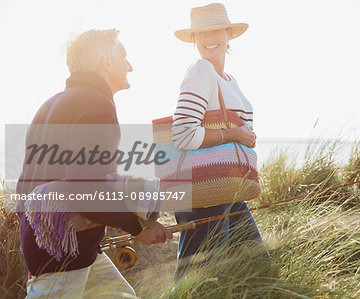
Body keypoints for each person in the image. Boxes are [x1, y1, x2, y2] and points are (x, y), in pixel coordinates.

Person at [16, 29, 172, 298]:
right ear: (107, 62)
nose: (130, 66)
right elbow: (86, 189)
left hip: (67, 247)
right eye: (124, 57)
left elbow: (26, 187)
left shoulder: (51, 104)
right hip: (61, 252)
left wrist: (36, 237)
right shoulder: (96, 104)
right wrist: (138, 227)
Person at [171, 3, 266, 279]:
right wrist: (234, 134)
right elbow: (183, 134)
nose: (209, 38)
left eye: (215, 30)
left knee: (257, 267)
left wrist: (245, 136)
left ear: (228, 34)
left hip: (228, 187)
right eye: (201, 33)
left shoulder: (229, 80)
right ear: (193, 39)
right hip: (204, 191)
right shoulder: (201, 70)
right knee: (197, 278)